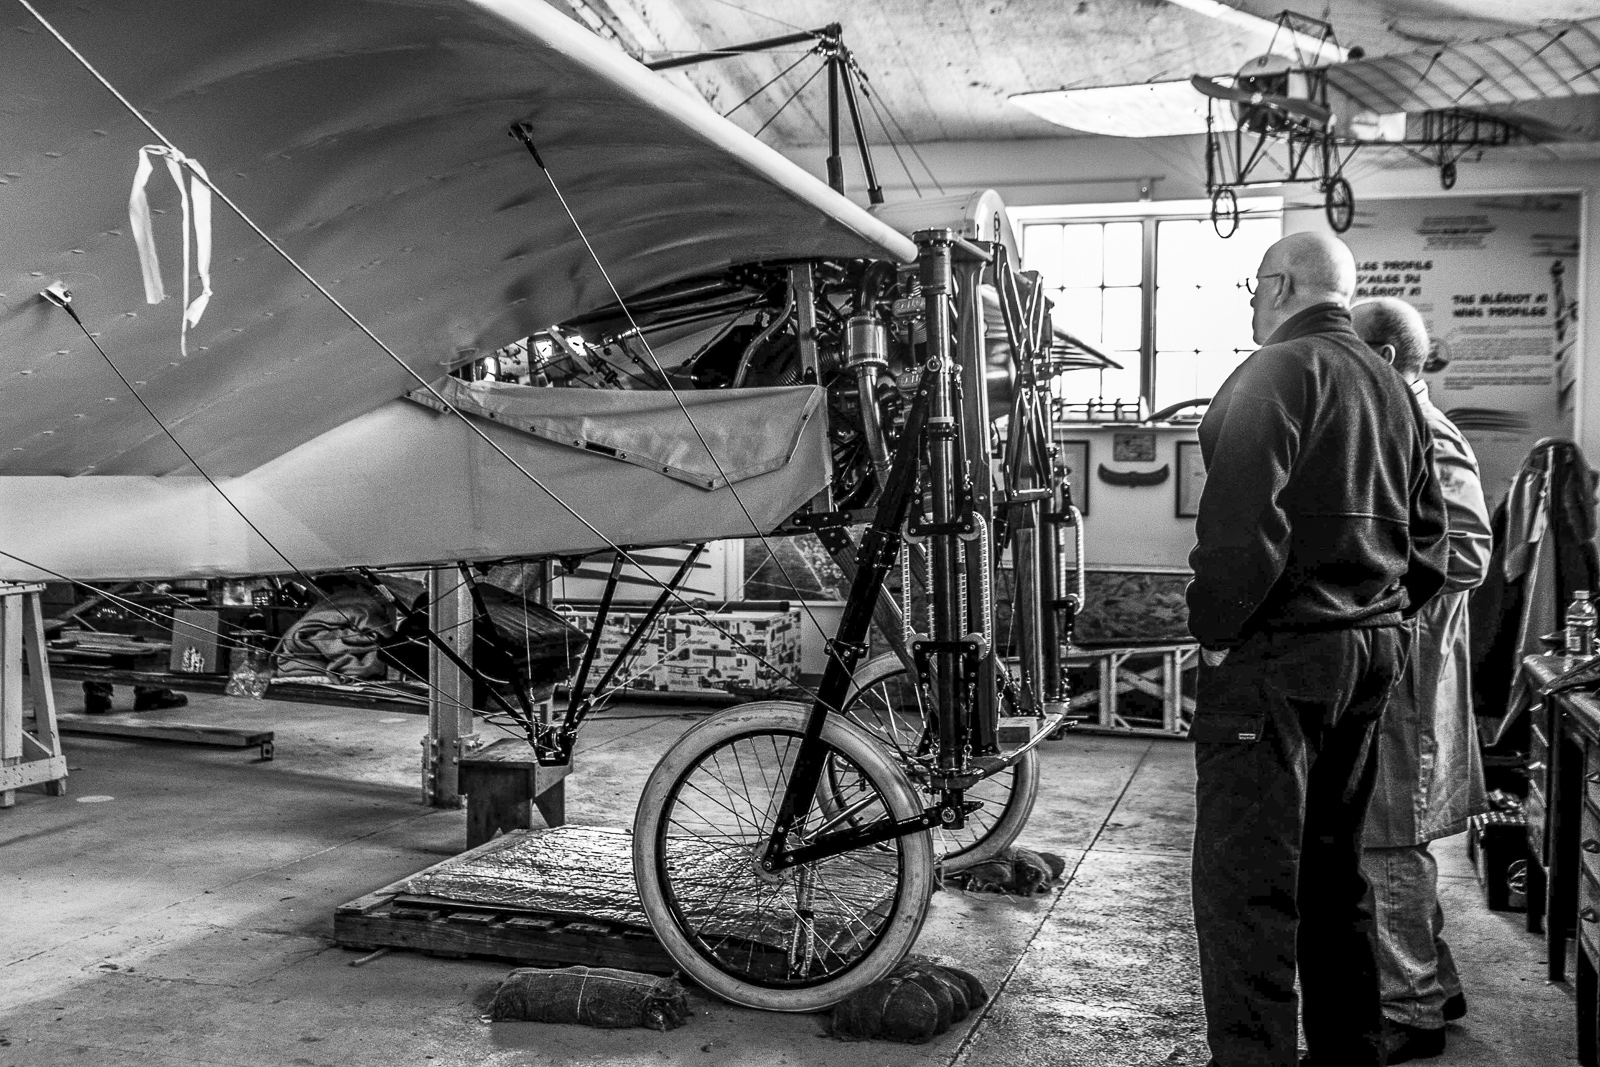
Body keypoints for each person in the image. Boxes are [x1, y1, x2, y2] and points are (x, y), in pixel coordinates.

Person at [1186, 231, 1450, 1067]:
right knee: (1336, 877)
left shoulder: (1277, 372)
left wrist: (1217, 633)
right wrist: (1378, 616)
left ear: (1282, 283)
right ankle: (1351, 1055)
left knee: (1247, 886)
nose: (1251, 301)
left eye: (1254, 285)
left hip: (1280, 658)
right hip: (1368, 655)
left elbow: (1238, 531)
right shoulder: (1392, 385)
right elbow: (1434, 544)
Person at [1353, 297, 1492, 1063]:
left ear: (1382, 356)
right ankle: (1436, 976)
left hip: (1411, 667)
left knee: (1390, 838)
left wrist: (1371, 587)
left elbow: (1467, 553)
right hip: (1402, 660)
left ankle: (1409, 1010)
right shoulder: (1396, 425)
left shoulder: (1426, 433)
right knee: (1389, 831)